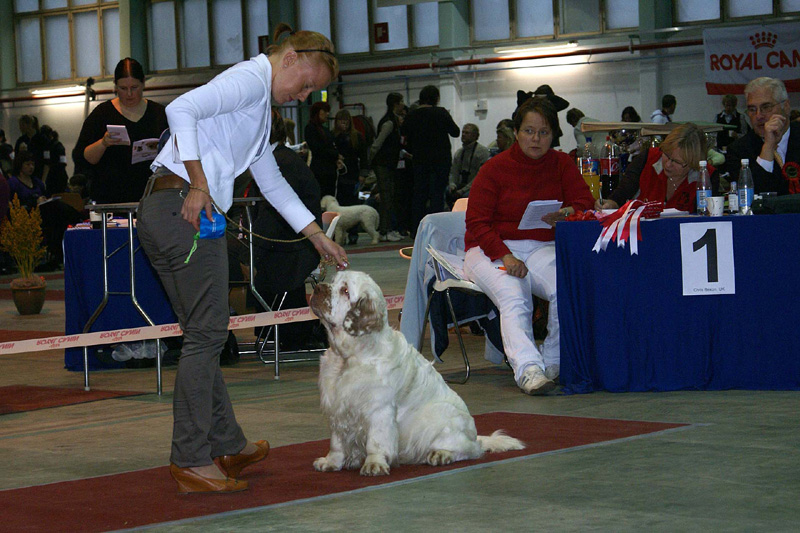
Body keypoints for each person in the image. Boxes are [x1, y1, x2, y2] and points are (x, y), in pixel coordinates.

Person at [137, 23, 347, 494]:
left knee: (203, 333)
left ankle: (227, 443)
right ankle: (191, 459)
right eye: (306, 84)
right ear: (289, 58)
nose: (303, 96)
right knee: (207, 335)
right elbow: (180, 108)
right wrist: (200, 183)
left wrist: (316, 236)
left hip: (165, 210)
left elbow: (272, 182)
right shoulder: (250, 81)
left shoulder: (257, 109)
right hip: (185, 211)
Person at [463, 98, 594, 395]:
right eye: (529, 131)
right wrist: (505, 255)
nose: (536, 139)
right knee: (514, 294)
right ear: (516, 132)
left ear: (554, 135)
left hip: (540, 247)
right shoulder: (493, 168)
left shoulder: (562, 164)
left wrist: (567, 211)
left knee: (566, 286)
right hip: (488, 249)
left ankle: (554, 360)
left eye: (544, 133)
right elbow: (477, 222)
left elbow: (584, 202)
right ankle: (528, 369)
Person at [251, 109, 326, 351]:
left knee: (236, 262)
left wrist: (250, 250)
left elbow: (274, 217)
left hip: (292, 248)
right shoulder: (279, 158)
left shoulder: (281, 162)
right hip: (287, 242)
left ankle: (289, 331)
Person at [74, 58, 168, 204]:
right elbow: (83, 157)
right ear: (115, 85)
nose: (129, 94)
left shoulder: (159, 114)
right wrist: (103, 143)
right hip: (111, 198)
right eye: (123, 88)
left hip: (152, 197)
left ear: (143, 83)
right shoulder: (101, 114)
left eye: (134, 87)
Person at [594, 123, 719, 213]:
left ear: (693, 163)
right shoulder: (647, 159)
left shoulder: (707, 176)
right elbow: (621, 195)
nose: (668, 164)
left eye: (676, 161)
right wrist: (609, 204)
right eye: (666, 155)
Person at [401, 85, 459, 235]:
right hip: (440, 160)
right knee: (437, 195)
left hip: (420, 160)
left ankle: (417, 230)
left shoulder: (412, 115)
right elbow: (455, 132)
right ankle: (436, 230)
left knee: (419, 195)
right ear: (436, 98)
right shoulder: (441, 112)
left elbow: (404, 132)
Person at [726, 77, 799, 195]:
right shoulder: (738, 150)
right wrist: (768, 146)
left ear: (785, 107)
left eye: (766, 107)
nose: (758, 116)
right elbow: (752, 195)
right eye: (752, 109)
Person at [370, 92, 405, 242]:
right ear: (395, 104)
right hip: (383, 164)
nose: (403, 104)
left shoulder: (394, 121)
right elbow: (377, 144)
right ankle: (384, 231)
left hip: (389, 165)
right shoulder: (389, 123)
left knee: (390, 197)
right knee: (386, 197)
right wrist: (370, 162)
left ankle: (389, 229)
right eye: (401, 102)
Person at [332, 109, 368, 208]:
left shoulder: (357, 136)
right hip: (337, 175)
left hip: (353, 173)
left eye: (346, 120)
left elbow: (364, 156)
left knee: (354, 201)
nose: (344, 123)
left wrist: (363, 174)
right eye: (341, 120)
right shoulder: (332, 136)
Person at [447, 123, 490, 206]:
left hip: (475, 187)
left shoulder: (482, 152)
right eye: (463, 132)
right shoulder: (459, 153)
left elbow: (480, 177)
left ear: (475, 136)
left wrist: (462, 191)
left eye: (467, 133)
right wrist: (452, 185)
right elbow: (454, 172)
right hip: (460, 186)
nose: (463, 135)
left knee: (466, 196)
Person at [304, 101, 341, 198]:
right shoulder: (310, 128)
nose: (327, 114)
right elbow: (318, 149)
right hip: (320, 172)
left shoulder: (325, 130)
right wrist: (335, 155)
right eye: (324, 111)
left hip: (330, 171)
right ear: (317, 112)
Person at [14, 115, 47, 181]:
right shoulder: (21, 140)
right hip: (25, 175)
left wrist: (44, 179)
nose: (20, 128)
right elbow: (16, 159)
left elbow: (47, 161)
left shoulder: (42, 139)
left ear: (29, 125)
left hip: (39, 173)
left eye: (22, 125)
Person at [39, 125, 69, 196]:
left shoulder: (51, 146)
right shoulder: (57, 145)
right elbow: (63, 162)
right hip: (59, 176)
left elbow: (48, 162)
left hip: (55, 177)